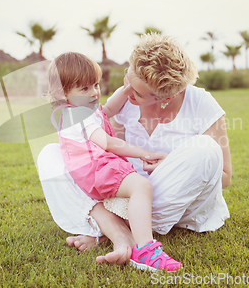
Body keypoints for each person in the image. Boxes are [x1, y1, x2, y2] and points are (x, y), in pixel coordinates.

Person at [38, 33, 232, 266]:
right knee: (51, 154)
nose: (127, 92)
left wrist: (172, 164)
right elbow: (109, 150)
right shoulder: (126, 103)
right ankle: (121, 233)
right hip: (131, 197)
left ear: (165, 97)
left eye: (137, 93)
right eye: (127, 80)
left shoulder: (202, 104)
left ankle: (106, 226)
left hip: (174, 199)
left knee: (207, 149)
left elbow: (225, 177)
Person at [46, 51, 182, 271]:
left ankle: (102, 236)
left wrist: (127, 89)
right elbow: (107, 142)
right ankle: (145, 250)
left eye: (95, 85)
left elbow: (107, 109)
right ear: (62, 92)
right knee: (141, 186)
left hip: (93, 171)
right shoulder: (79, 115)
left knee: (127, 202)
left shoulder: (78, 111)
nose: (93, 93)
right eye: (84, 88)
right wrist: (143, 153)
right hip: (97, 169)